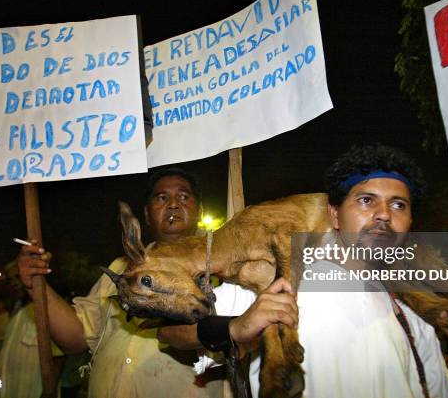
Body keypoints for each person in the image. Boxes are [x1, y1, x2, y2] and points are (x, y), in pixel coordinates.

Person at [162, 144, 448, 398]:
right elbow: (172, 333)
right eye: (366, 200)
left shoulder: (412, 309)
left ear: (409, 222)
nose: (384, 214)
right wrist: (236, 327)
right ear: (334, 214)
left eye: (398, 205)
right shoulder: (275, 279)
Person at [17, 168, 293, 397]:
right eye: (161, 198)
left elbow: (245, 336)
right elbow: (76, 338)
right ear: (147, 214)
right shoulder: (121, 269)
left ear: (199, 211)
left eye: (184, 197)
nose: (173, 204)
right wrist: (36, 285)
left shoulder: (229, 271)